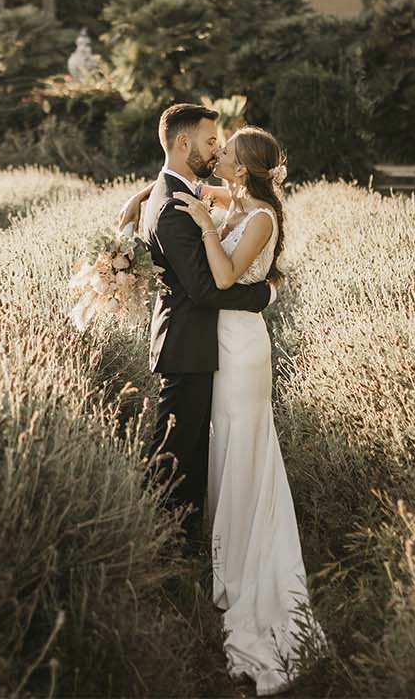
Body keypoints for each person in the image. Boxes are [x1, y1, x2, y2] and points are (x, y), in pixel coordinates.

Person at [116, 114, 319, 695]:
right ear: (185, 144)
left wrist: (261, 283)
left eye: (224, 149)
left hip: (235, 343)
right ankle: (189, 553)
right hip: (210, 341)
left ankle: (233, 554)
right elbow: (211, 287)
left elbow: (223, 273)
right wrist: (267, 290)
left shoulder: (242, 207)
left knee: (237, 442)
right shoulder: (193, 197)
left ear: (243, 166)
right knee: (207, 445)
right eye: (211, 143)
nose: (216, 153)